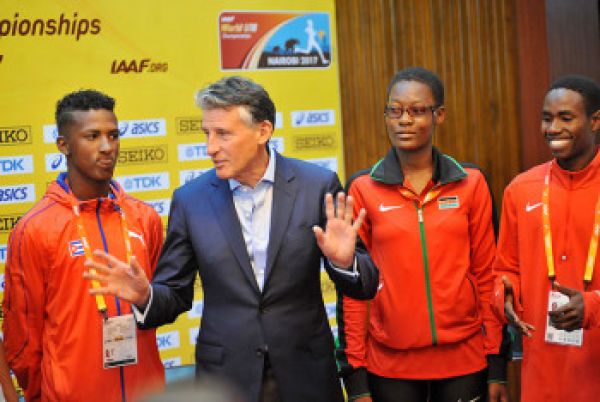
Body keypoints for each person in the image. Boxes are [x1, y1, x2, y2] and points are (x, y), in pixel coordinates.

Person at [83, 76, 379, 402]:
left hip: (306, 372)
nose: (211, 147)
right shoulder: (191, 200)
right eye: (207, 134)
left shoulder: (317, 186)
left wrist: (344, 262)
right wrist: (144, 296)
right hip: (226, 379)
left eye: (223, 134)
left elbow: (364, 285)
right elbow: (174, 294)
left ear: (263, 131)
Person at [336, 67, 507, 402]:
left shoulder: (471, 183)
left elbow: (488, 277)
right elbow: (356, 294)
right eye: (395, 111)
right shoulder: (362, 189)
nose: (404, 120)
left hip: (465, 360)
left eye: (416, 111)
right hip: (390, 366)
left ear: (438, 115)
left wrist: (497, 364)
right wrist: (355, 379)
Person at [2, 90, 165, 402]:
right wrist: (47, 392)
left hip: (145, 391)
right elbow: (22, 335)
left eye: (113, 135)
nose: (107, 148)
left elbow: (159, 301)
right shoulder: (34, 229)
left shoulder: (145, 218)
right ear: (64, 145)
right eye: (92, 136)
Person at [493, 75, 600, 401]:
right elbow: (504, 268)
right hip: (543, 369)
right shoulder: (520, 188)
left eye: (566, 118)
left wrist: (594, 303)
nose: (553, 128)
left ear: (595, 121)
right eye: (546, 118)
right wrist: (504, 297)